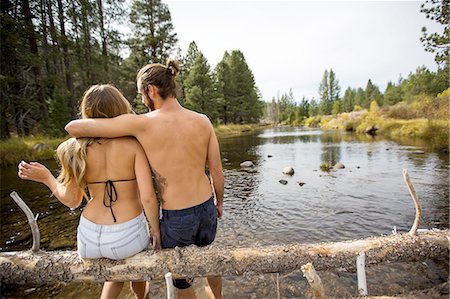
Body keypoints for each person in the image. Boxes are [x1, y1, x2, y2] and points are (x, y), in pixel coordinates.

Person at [65, 60, 224, 299]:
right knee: (208, 257)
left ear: (150, 90)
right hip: (206, 207)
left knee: (181, 278)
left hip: (177, 216)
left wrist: (155, 228)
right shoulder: (203, 120)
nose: (141, 101)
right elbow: (217, 171)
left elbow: (73, 127)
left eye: (141, 94)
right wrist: (219, 203)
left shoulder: (142, 123)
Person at [18, 84, 160, 299]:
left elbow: (73, 201)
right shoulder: (134, 145)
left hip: (88, 239)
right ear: (120, 108)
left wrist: (48, 178)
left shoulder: (75, 149)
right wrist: (155, 230)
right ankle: (143, 297)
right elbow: (148, 197)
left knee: (115, 275)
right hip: (126, 236)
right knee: (134, 269)